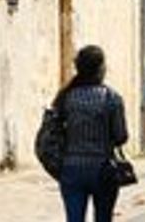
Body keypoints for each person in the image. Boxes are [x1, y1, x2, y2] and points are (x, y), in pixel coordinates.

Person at [52, 45, 129, 222]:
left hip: (71, 168)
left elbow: (54, 130)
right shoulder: (111, 98)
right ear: (101, 69)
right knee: (103, 217)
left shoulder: (66, 97)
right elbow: (121, 136)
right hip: (103, 169)